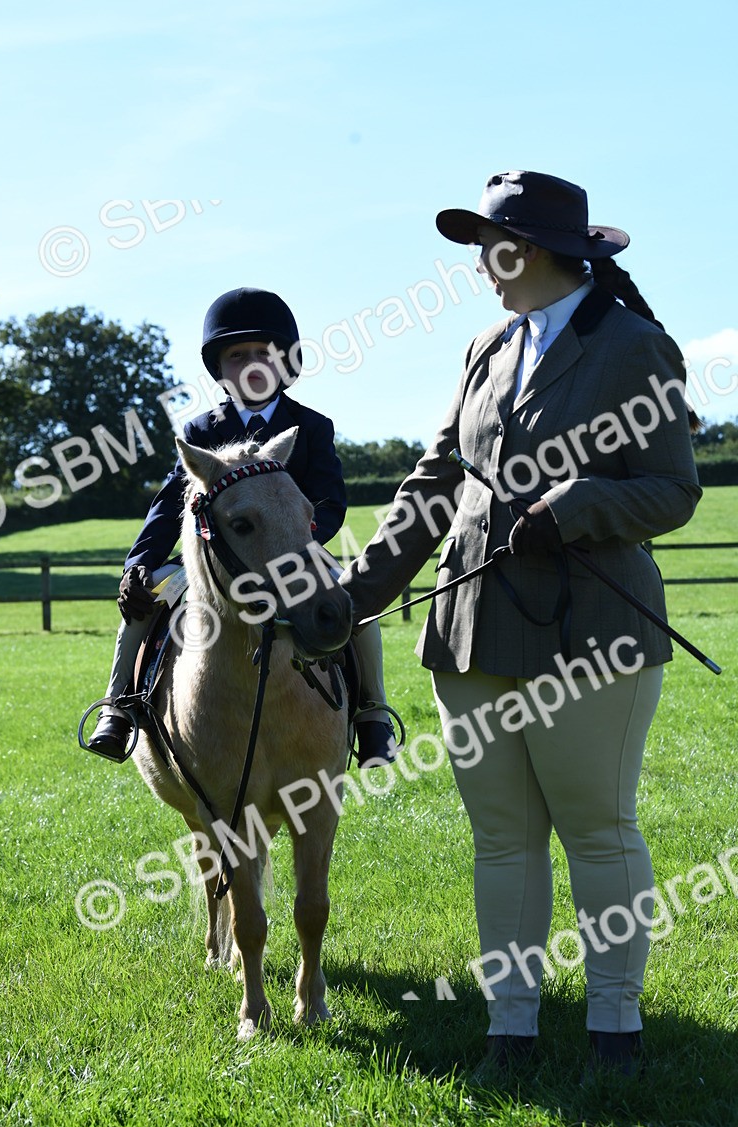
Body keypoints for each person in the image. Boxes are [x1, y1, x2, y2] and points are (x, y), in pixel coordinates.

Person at [340, 171, 701, 1077]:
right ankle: (512, 1028)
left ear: (531, 251)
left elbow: (673, 489)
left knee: (597, 829)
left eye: (488, 249)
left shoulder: (634, 346)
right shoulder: (486, 346)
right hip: (470, 627)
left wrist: (575, 507)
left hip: (592, 633)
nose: (477, 266)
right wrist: (357, 594)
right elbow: (434, 480)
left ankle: (615, 1031)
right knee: (501, 838)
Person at [87, 287, 396, 767]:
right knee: (148, 600)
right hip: (214, 561)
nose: (252, 364)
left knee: (353, 603)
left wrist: (294, 541)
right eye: (237, 355)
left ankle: (372, 712)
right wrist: (138, 564)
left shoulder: (312, 426)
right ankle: (119, 706)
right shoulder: (200, 432)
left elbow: (331, 500)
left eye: (264, 353)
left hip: (297, 552)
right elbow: (169, 505)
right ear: (220, 368)